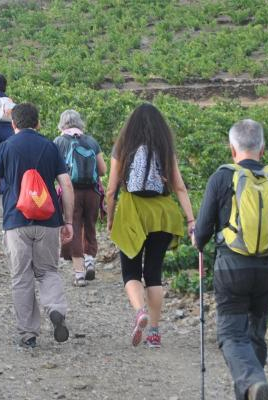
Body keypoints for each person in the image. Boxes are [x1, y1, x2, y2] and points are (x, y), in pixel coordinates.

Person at [194, 119, 268, 400]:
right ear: (262, 149)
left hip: (231, 267)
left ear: (232, 148)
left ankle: (254, 382)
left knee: (231, 335)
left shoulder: (221, 177)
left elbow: (202, 232)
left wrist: (197, 242)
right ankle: (253, 389)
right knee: (255, 334)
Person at [104, 103, 195, 348]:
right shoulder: (164, 147)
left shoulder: (123, 147)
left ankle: (139, 312)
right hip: (162, 214)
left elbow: (111, 189)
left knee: (131, 271)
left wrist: (110, 218)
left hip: (132, 211)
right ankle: (154, 333)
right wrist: (191, 220)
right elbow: (179, 188)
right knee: (153, 273)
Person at [0, 103, 75, 348]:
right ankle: (56, 309)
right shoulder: (50, 146)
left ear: (13, 124)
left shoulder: (4, 148)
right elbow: (66, 185)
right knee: (48, 271)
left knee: (21, 276)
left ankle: (29, 334)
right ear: (38, 123)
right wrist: (68, 221)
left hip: (16, 221)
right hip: (48, 220)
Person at [53, 110, 107, 287]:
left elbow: (53, 169)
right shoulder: (91, 141)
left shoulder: (59, 142)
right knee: (90, 226)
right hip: (92, 192)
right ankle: (90, 260)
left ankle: (79, 273)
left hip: (71, 192)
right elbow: (102, 170)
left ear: (62, 123)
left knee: (73, 228)